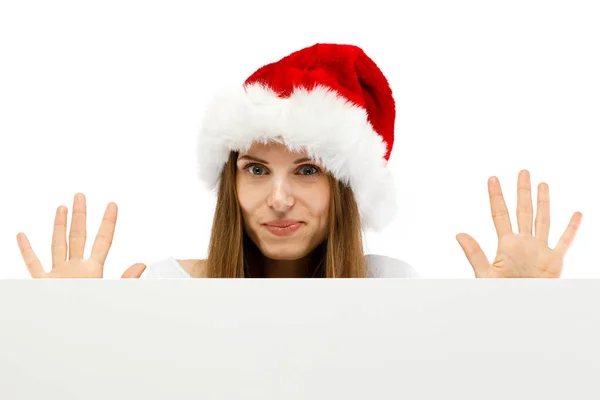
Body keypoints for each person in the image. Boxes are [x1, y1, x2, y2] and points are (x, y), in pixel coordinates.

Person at [15, 43, 583, 279]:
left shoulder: (392, 289)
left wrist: (518, 325)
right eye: (256, 169)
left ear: (347, 187)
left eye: (308, 170)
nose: (278, 199)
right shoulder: (167, 287)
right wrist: (70, 329)